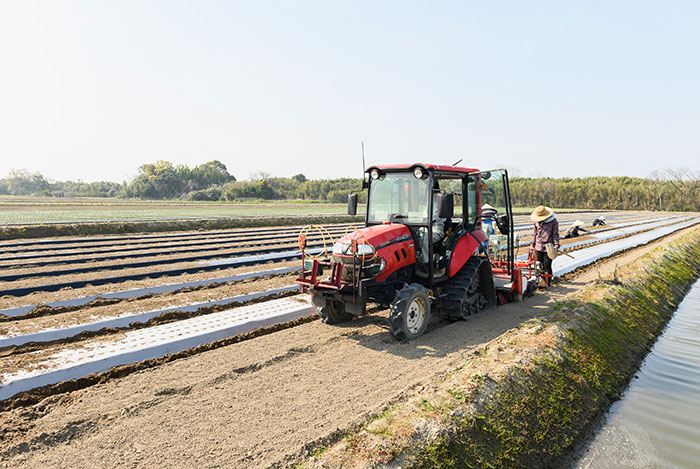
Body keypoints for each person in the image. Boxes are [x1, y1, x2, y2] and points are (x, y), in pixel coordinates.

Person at [530, 205, 559, 287]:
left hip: (548, 247)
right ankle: (540, 282)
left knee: (547, 265)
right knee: (539, 265)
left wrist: (556, 244)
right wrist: (532, 244)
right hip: (538, 246)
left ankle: (547, 283)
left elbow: (555, 234)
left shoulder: (553, 221)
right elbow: (534, 234)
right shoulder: (536, 222)